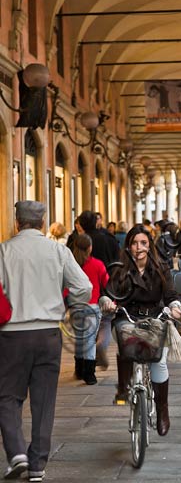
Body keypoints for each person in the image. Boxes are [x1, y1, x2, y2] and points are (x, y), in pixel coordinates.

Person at [0, 201, 92, 482]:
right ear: (42, 223)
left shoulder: (4, 251)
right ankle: (38, 465)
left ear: (17, 223)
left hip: (12, 335)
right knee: (43, 400)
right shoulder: (58, 250)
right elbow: (84, 287)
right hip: (48, 334)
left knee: (7, 396)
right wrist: (68, 306)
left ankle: (16, 453)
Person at [107, 224, 181, 437]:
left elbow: (170, 294)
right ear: (128, 246)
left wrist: (175, 306)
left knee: (158, 362)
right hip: (128, 316)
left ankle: (162, 411)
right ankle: (123, 387)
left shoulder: (161, 267)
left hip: (155, 318)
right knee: (124, 341)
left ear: (149, 246)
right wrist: (107, 302)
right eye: (134, 243)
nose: (138, 247)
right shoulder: (119, 268)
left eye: (143, 243)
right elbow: (111, 292)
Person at [72, 234, 110, 384]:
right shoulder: (97, 264)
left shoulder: (72, 264)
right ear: (90, 248)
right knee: (89, 340)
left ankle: (79, 369)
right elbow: (106, 283)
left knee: (79, 339)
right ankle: (89, 373)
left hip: (75, 306)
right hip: (92, 306)